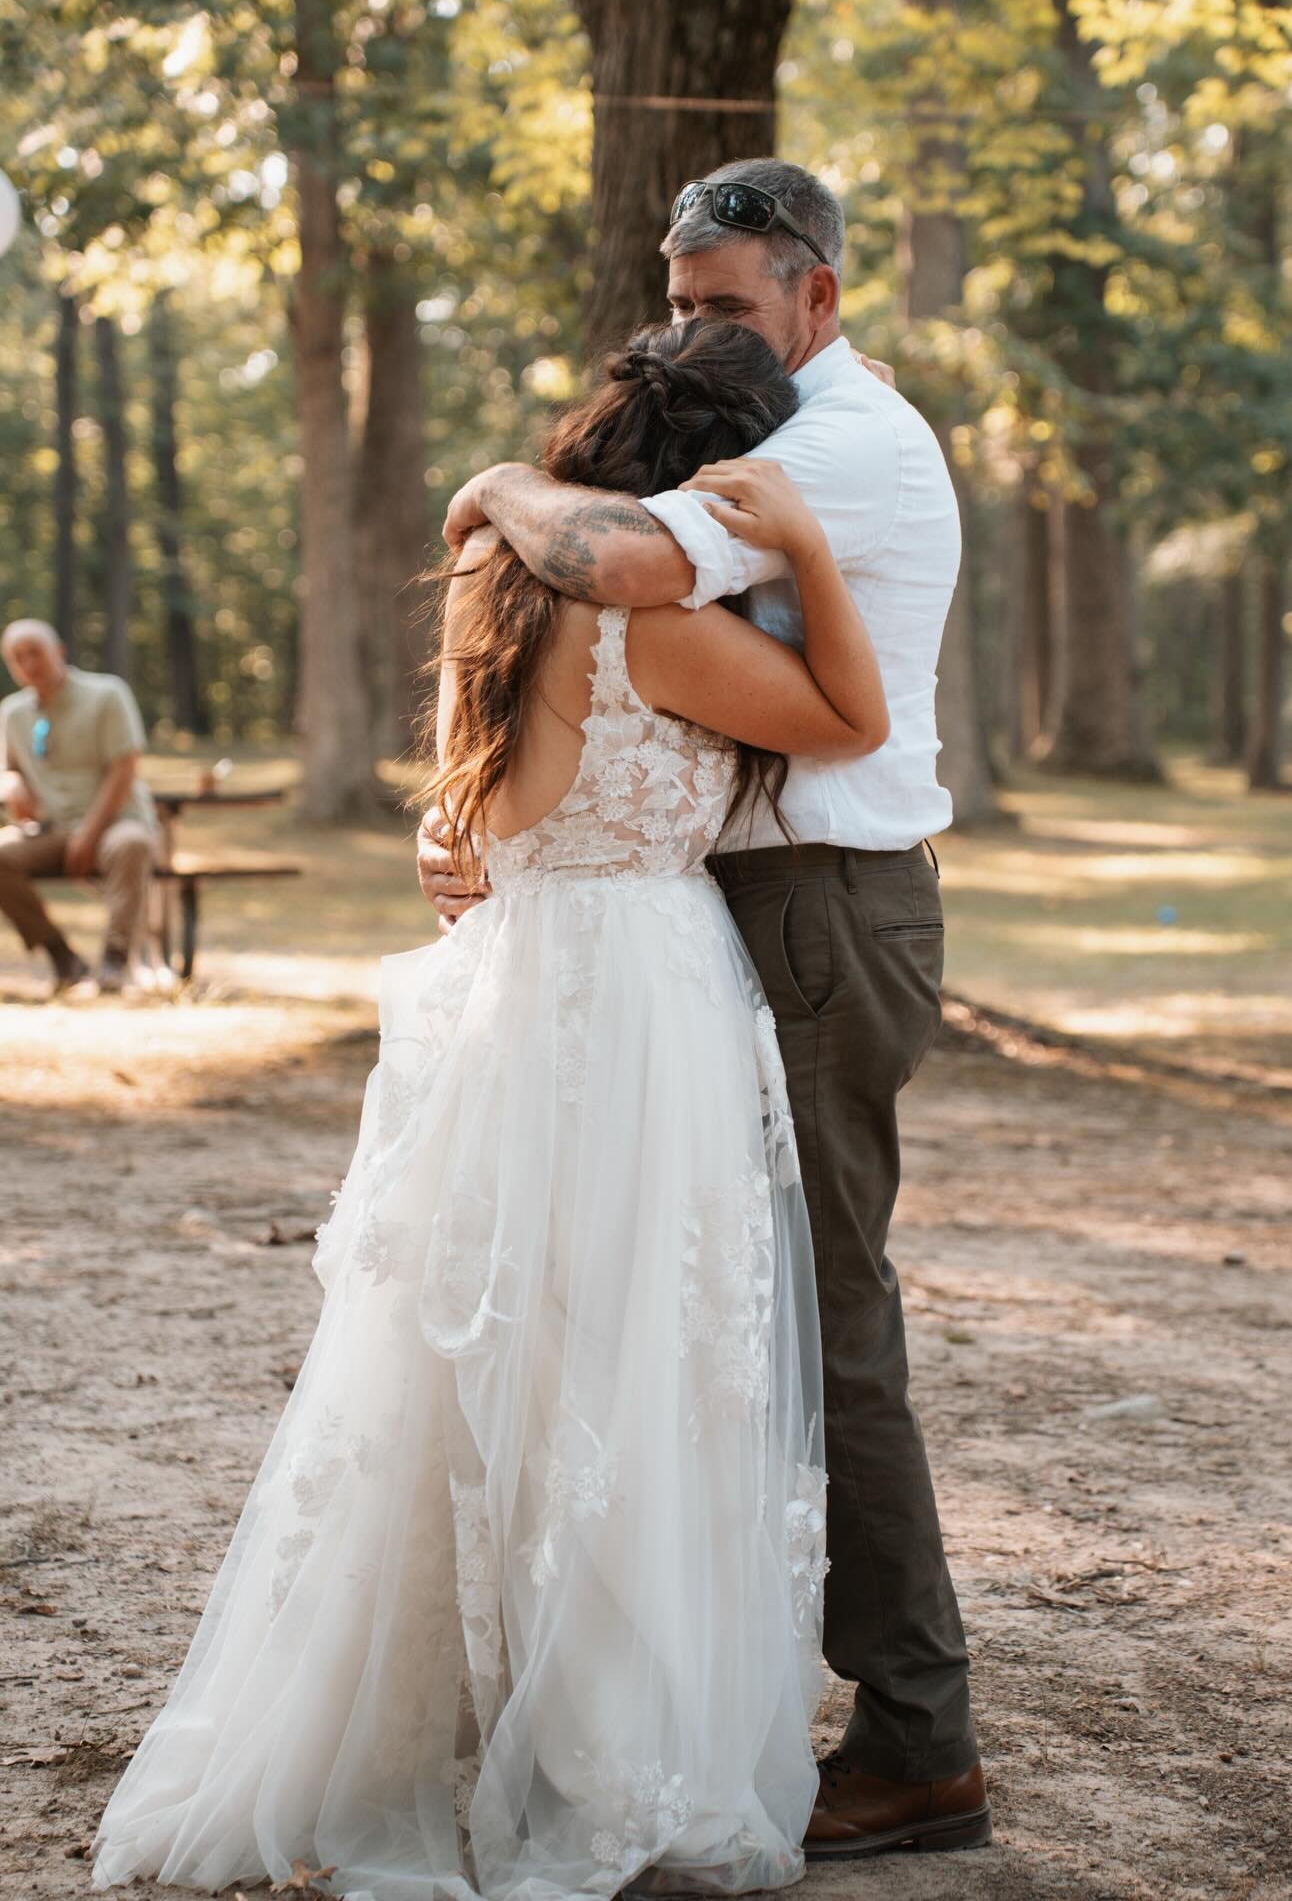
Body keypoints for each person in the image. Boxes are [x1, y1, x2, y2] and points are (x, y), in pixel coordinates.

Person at [90, 318, 895, 1901]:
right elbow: (851, 720)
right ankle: (595, 1742)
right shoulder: (653, 622)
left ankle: (441, 1728)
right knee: (631, 1373)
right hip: (641, 998)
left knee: (487, 1366)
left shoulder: (491, 580)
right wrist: (805, 546)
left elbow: (469, 785)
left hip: (515, 976)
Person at [421, 157, 989, 1861]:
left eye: (730, 307)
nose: (697, 338)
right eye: (680, 306)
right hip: (712, 907)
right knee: (707, 1329)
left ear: (820, 295)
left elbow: (618, 566)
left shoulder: (830, 446)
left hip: (817, 912)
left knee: (824, 1322)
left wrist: (493, 478)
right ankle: (685, 1690)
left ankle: (918, 1735)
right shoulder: (776, 420)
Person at [0, 619, 160, 994]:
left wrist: (89, 833)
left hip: (116, 821)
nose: (28, 664)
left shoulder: (106, 694)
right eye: (17, 658)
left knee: (132, 844)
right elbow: (7, 770)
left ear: (59, 651)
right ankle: (62, 956)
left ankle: (115, 961)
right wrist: (13, 784)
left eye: (35, 652)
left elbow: (124, 769)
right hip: (51, 828)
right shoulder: (12, 713)